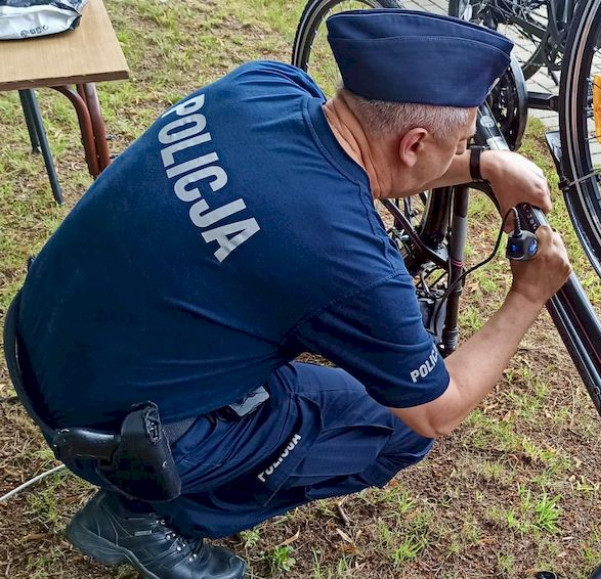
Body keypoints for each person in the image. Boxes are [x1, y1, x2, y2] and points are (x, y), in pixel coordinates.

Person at [4, 10, 571, 579]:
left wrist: (477, 164)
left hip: (36, 339)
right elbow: (436, 412)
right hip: (109, 433)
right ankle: (147, 516)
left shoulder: (266, 85)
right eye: (460, 139)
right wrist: (526, 297)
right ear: (416, 141)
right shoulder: (350, 264)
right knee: (394, 427)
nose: (462, 148)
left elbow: (368, 164)